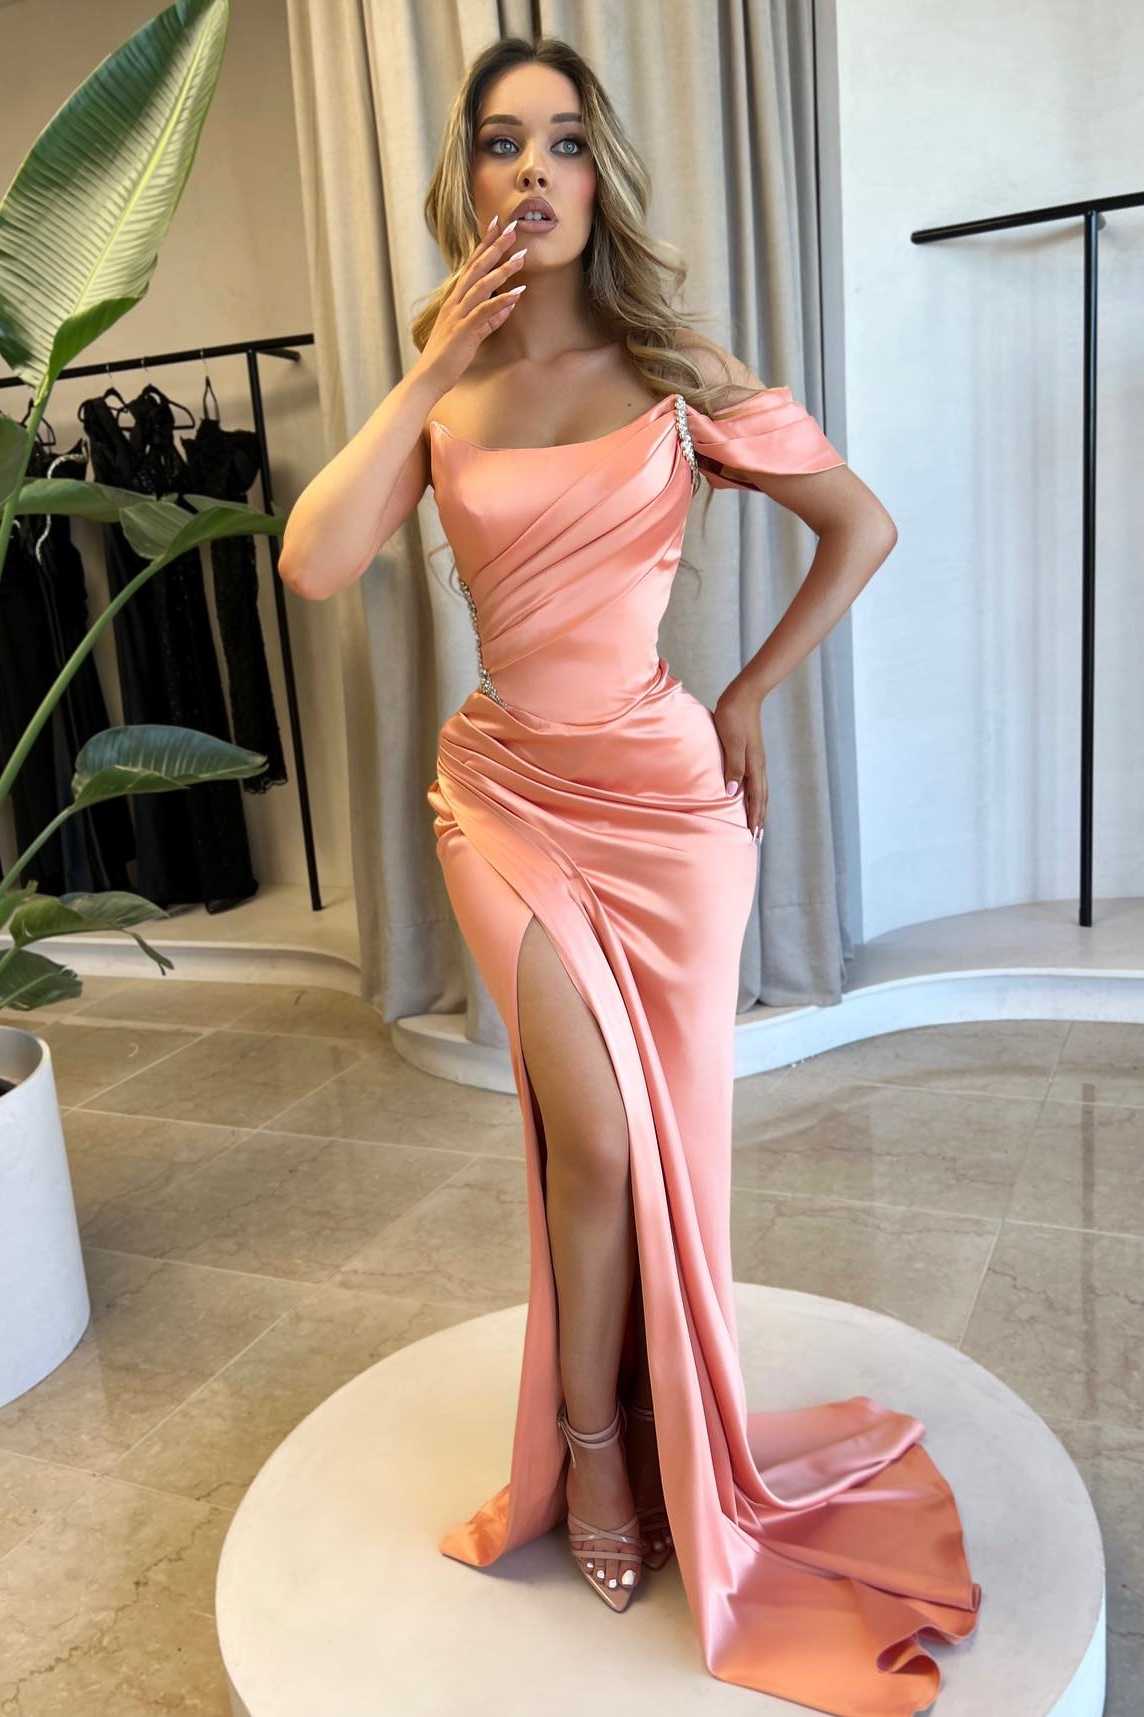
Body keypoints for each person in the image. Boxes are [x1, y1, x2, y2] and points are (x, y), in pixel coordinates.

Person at [279, 33, 981, 1714]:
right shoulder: (445, 392)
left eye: (566, 142)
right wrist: (425, 370)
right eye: (502, 141)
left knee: (663, 1154)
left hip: (669, 816)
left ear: (601, 180)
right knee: (588, 1140)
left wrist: (744, 696)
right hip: (505, 798)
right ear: (466, 179)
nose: (535, 168)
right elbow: (313, 563)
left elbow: (861, 525)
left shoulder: (673, 374)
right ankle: (594, 1450)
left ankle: (657, 1432)